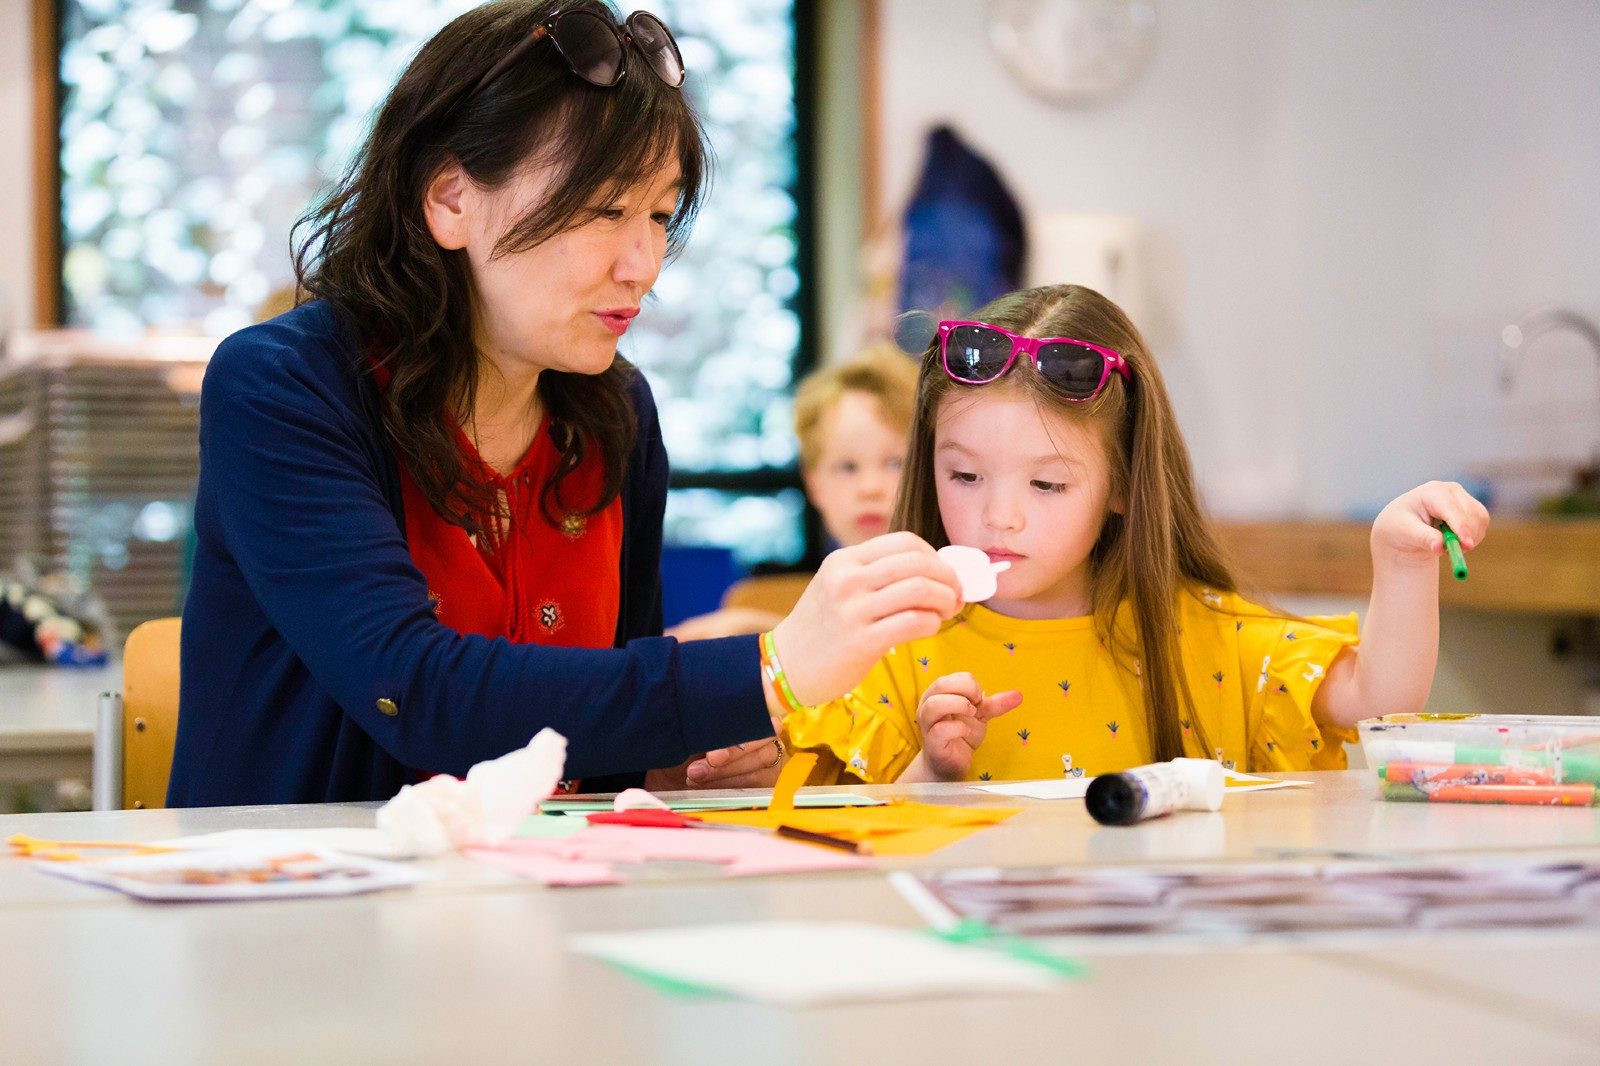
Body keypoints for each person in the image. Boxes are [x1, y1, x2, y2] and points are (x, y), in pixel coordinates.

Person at [168, 0, 961, 806]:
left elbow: (595, 745)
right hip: (294, 905)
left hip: (534, 896)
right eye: (604, 210)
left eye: (658, 213)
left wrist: (677, 757)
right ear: (450, 200)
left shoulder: (615, 413)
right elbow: (414, 690)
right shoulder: (285, 384)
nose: (643, 262)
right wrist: (769, 671)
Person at [781, 284, 1490, 784]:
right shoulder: (895, 644)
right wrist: (934, 770)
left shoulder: (1207, 635)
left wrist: (1399, 565)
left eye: (1047, 485)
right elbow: (850, 835)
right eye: (964, 477)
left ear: (1122, 484)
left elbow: (1381, 700)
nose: (1000, 516)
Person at [665, 345, 918, 642]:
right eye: (847, 467)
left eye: (895, 463)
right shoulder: (807, 600)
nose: (870, 488)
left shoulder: (964, 592)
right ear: (814, 485)